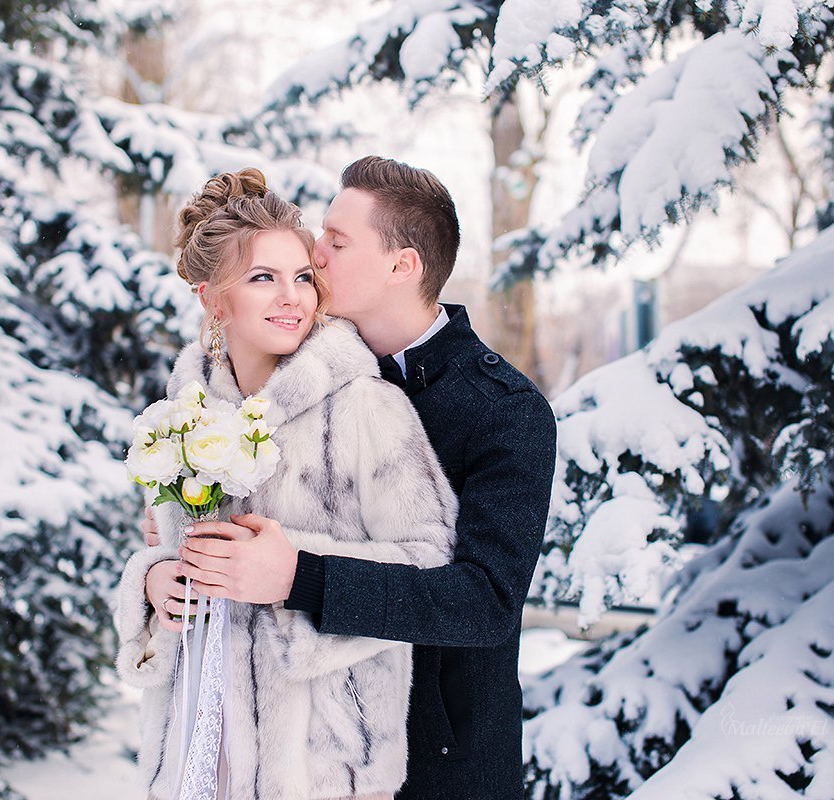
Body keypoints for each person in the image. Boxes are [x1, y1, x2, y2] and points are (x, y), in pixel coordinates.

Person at [145, 156, 557, 798]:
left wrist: (297, 575)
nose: (315, 252)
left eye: (335, 243)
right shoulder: (281, 376)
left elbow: (487, 603)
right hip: (292, 752)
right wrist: (167, 565)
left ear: (402, 266)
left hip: (441, 758)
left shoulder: (504, 410)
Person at [115, 168, 457, 800]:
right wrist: (153, 584)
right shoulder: (181, 416)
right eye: (263, 278)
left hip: (321, 763)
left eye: (303, 276)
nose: (293, 297)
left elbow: (431, 568)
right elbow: (166, 548)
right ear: (212, 297)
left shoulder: (363, 408)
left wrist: (295, 573)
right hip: (196, 743)